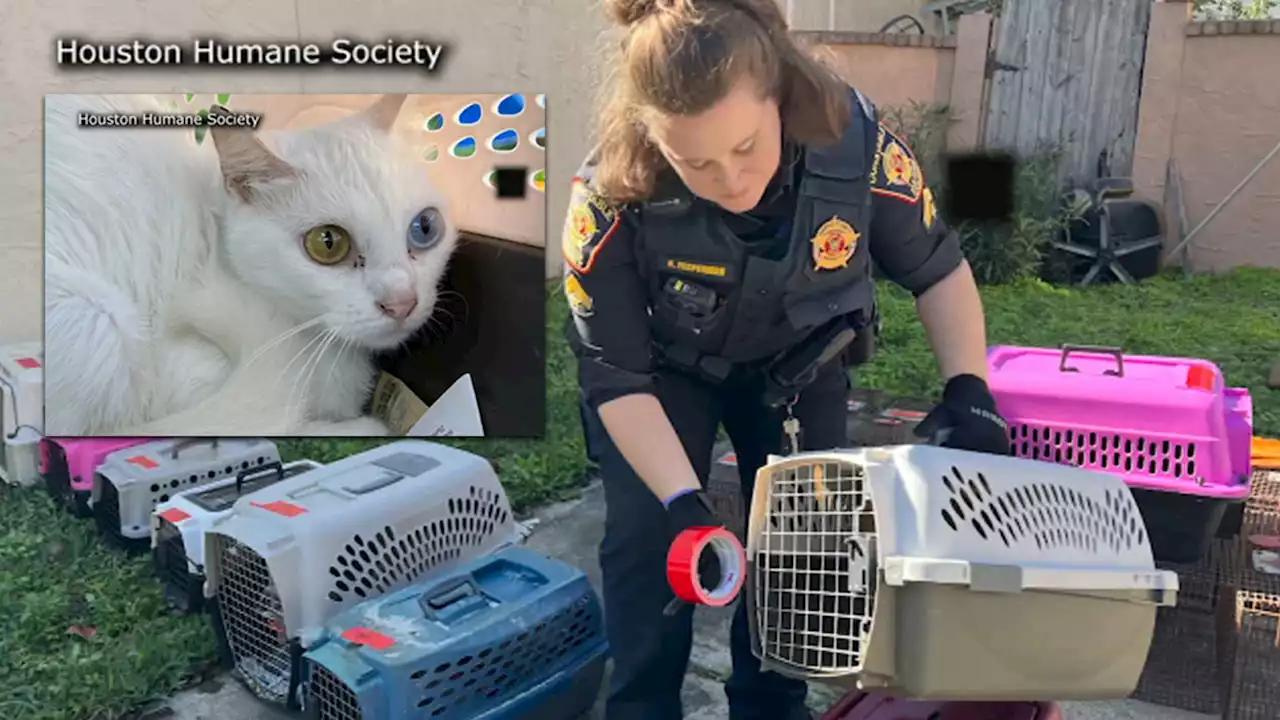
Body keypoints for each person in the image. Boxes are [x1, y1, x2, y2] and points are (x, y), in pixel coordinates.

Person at [560, 0, 1013, 718]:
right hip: (666, 378)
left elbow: (937, 268)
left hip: (801, 367)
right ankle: (642, 706)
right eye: (695, 162)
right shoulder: (608, 197)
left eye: (746, 147)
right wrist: (684, 501)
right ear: (651, 142)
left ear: (781, 96)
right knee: (650, 545)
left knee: (805, 546)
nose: (731, 179)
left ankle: (770, 704)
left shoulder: (854, 142)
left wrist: (970, 388)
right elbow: (614, 374)